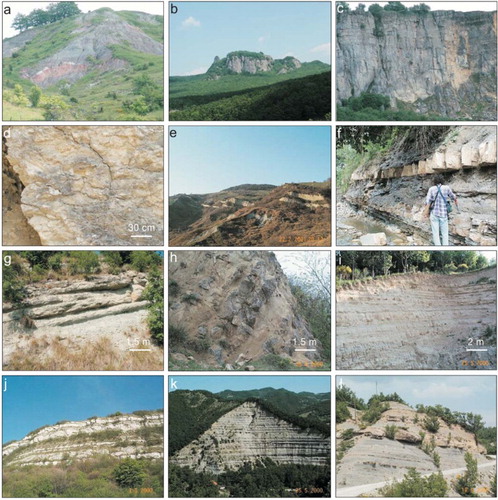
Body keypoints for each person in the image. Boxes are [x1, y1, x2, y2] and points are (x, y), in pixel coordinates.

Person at [425, 174, 457, 245]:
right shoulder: (446, 188)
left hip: (434, 214)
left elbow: (428, 202)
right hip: (443, 214)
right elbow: (453, 197)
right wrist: (455, 198)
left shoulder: (431, 189)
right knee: (445, 234)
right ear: (442, 180)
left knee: (435, 233)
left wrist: (426, 213)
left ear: (434, 181)